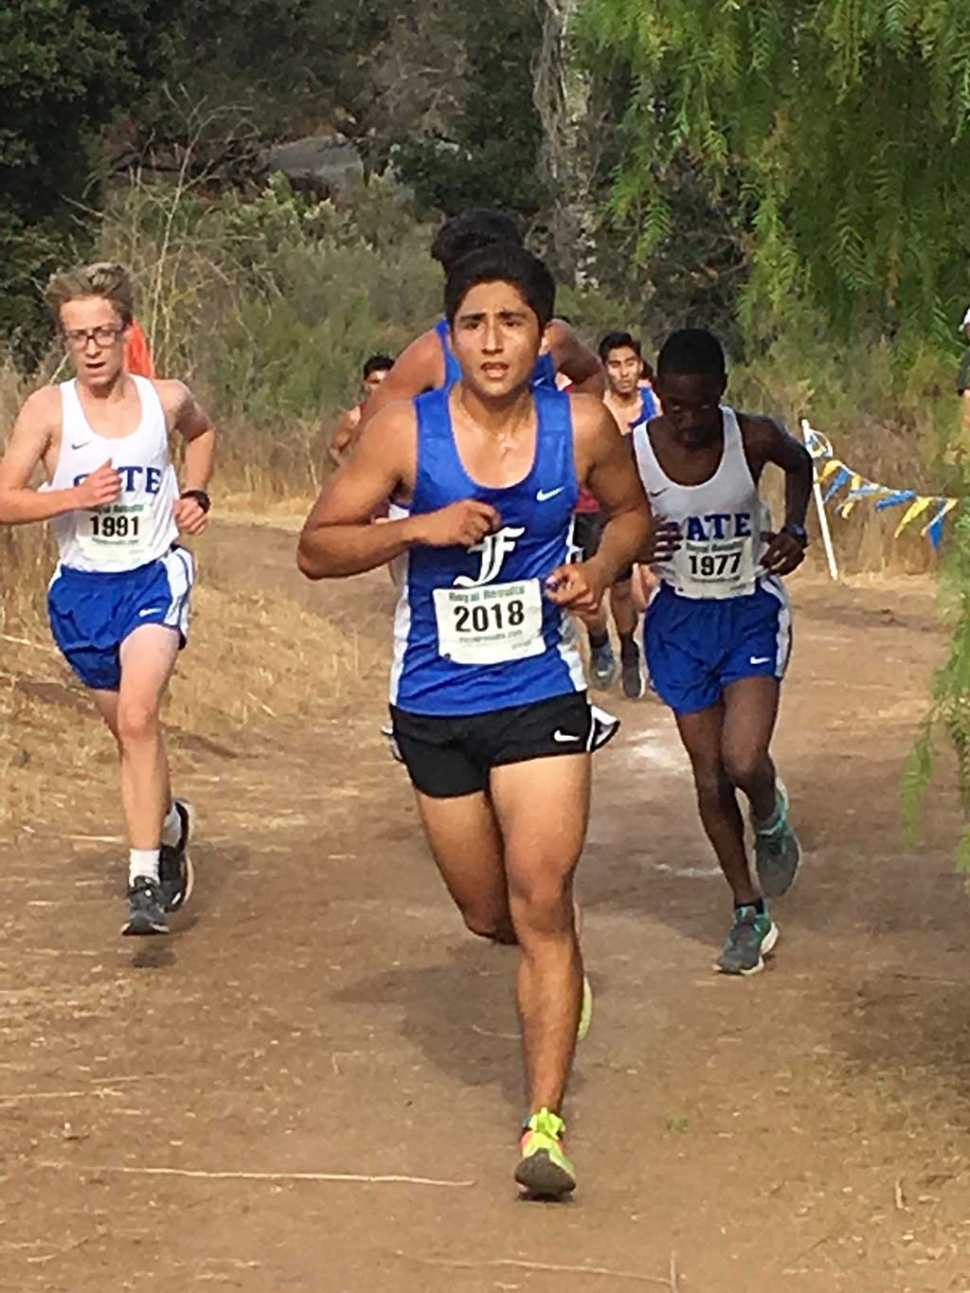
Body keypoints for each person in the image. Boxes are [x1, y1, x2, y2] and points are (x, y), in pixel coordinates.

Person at [298, 244, 651, 1198]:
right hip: (434, 704)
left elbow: (631, 516)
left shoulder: (579, 425)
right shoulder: (405, 434)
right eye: (473, 324)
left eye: (512, 323)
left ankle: (544, 1124)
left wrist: (599, 572)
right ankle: (558, 973)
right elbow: (317, 548)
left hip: (538, 690)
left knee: (541, 897)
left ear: (544, 337)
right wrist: (418, 526)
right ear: (449, 337)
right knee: (489, 912)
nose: (492, 342)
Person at [0, 262, 216, 937]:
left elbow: (202, 434)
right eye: (76, 336)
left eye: (102, 332)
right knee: (126, 728)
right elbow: (5, 499)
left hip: (152, 577)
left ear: (126, 332)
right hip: (82, 593)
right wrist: (73, 496)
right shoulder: (47, 409)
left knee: (140, 717)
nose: (91, 347)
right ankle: (170, 822)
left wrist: (195, 493)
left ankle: (144, 880)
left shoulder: (166, 398)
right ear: (65, 341)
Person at [633, 328, 812, 976]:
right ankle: (748, 910)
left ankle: (769, 813)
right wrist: (632, 540)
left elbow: (802, 464)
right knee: (709, 774)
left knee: (743, 757)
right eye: (673, 405)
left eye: (700, 406)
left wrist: (795, 529)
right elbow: (607, 518)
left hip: (747, 610)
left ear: (722, 395)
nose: (686, 420)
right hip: (680, 617)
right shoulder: (634, 453)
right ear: (655, 391)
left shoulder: (753, 437)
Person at [350, 209, 604, 445]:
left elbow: (591, 375)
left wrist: (568, 451)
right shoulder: (430, 354)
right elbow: (365, 439)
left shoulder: (554, 338)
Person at [328, 353, 394, 467]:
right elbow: (334, 450)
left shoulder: (409, 412)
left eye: (385, 381)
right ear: (366, 385)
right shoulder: (355, 418)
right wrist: (349, 471)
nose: (380, 387)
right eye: (375, 382)